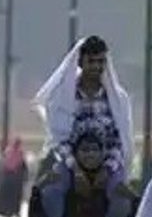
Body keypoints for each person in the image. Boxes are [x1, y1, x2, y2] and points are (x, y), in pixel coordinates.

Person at [34, 36, 133, 194]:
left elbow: (119, 140)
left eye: (100, 62)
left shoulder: (118, 99)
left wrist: (107, 169)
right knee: (52, 194)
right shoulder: (62, 98)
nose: (96, 67)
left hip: (108, 164)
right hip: (69, 163)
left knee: (123, 203)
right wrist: (76, 169)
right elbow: (59, 140)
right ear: (80, 63)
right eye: (91, 61)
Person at [0, 136, 29, 217]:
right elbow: (23, 166)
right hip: (16, 178)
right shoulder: (20, 153)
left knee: (6, 194)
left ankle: (4, 210)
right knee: (15, 196)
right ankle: (14, 211)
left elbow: (5, 164)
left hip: (9, 177)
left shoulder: (9, 151)